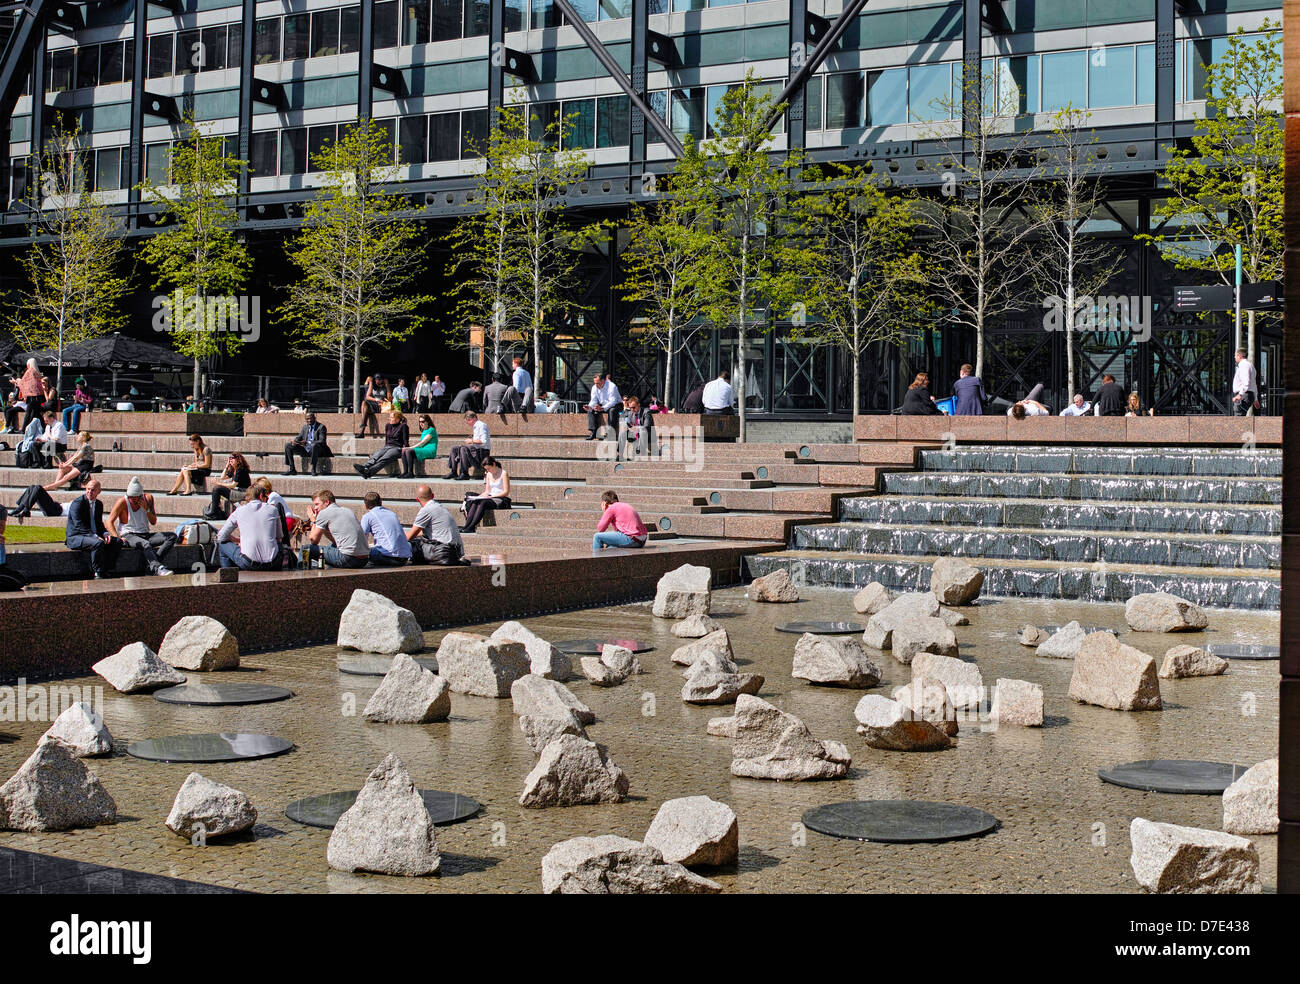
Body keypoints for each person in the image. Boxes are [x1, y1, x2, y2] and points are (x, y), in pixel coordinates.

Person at [107, 476, 176, 576]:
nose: (133, 501)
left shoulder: (148, 498)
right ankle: (157, 568)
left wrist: (147, 509)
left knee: (171, 536)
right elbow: (109, 521)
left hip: (145, 534)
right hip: (128, 535)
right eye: (131, 498)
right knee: (145, 544)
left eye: (136, 499)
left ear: (141, 496)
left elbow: (153, 522)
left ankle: (152, 565)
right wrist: (118, 538)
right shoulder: (122, 502)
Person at [216, 483, 285, 571]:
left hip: (249, 563)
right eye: (266, 498)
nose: (267, 500)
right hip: (274, 562)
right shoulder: (273, 509)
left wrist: (237, 541)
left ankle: (229, 576)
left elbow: (221, 537)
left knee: (222, 545)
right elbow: (279, 538)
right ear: (261, 496)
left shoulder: (239, 511)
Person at [65, 478, 122, 579]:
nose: (89, 492)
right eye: (88, 489)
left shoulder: (99, 504)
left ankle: (107, 568)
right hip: (76, 536)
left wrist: (105, 533)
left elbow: (99, 523)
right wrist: (94, 536)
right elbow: (79, 525)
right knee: (98, 543)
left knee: (117, 541)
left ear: (99, 491)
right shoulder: (78, 503)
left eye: (93, 490)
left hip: (92, 535)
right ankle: (97, 571)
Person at [305, 489, 370, 568]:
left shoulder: (324, 513)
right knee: (331, 546)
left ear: (326, 502)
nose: (315, 508)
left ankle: (301, 571)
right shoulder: (347, 510)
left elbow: (313, 540)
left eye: (317, 504)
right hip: (364, 560)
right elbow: (335, 541)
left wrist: (313, 521)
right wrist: (323, 527)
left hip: (347, 558)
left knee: (306, 549)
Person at [407, 484, 465, 564]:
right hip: (457, 552)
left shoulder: (426, 510)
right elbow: (429, 531)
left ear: (417, 499)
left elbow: (410, 536)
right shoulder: (441, 507)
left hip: (443, 552)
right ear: (433, 496)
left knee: (411, 545)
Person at [361, 491, 412, 566]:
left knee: (364, 553)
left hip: (388, 557)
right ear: (381, 502)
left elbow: (362, 539)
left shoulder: (368, 516)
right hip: (404, 558)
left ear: (365, 506)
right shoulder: (392, 513)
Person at [354, 409, 409, 479]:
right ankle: (364, 467)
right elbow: (387, 439)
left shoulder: (403, 426)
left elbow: (405, 440)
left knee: (384, 458)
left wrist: (405, 450)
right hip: (387, 446)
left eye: (392, 417)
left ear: (398, 419)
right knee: (376, 456)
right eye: (389, 417)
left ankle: (369, 472)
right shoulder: (388, 425)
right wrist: (385, 449)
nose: (389, 419)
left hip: (397, 448)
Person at [460, 457, 509, 533]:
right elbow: (487, 491)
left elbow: (506, 492)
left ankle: (472, 526)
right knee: (476, 501)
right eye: (486, 469)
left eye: (489, 468)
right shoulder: (488, 474)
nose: (488, 471)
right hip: (490, 497)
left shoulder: (503, 473)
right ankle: (467, 526)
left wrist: (492, 496)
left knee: (483, 503)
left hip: (500, 498)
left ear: (494, 464)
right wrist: (478, 497)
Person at [284, 412, 331, 476]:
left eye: (310, 418)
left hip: (318, 450)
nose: (309, 420)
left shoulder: (321, 427)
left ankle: (313, 469)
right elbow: (299, 437)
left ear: (314, 418)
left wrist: (308, 443)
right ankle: (292, 469)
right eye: (307, 419)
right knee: (288, 445)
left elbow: (322, 441)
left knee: (314, 445)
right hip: (306, 449)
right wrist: (296, 442)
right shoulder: (305, 427)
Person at [446, 412, 490, 479]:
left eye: (469, 420)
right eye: (467, 421)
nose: (467, 423)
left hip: (482, 452)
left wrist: (471, 441)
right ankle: (453, 471)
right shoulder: (476, 426)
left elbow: (484, 441)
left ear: (474, 418)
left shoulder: (481, 426)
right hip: (476, 450)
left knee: (463, 448)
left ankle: (464, 473)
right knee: (454, 448)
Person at [208, 451, 252, 518]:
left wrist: (218, 483)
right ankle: (215, 511)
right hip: (238, 491)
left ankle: (213, 512)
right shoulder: (234, 469)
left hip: (244, 492)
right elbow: (222, 477)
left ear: (238, 460)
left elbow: (233, 485)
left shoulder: (241, 469)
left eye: (232, 458)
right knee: (217, 489)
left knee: (217, 489)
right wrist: (227, 466)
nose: (230, 460)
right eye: (229, 458)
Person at [9, 359, 43, 433]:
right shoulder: (37, 372)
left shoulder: (29, 371)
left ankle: (23, 429)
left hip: (31, 396)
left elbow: (23, 383)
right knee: (36, 413)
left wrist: (15, 381)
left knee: (29, 412)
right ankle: (42, 428)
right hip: (38, 396)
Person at [584, 371, 622, 440]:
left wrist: (602, 408)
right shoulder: (594, 387)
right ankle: (593, 432)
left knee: (612, 410)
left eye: (597, 383)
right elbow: (593, 400)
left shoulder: (612, 386)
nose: (596, 385)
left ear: (603, 381)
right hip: (603, 404)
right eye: (595, 383)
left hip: (616, 404)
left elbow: (613, 401)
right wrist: (590, 406)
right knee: (591, 410)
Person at [617, 396, 654, 461]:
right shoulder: (630, 413)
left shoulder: (646, 412)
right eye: (630, 408)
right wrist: (629, 428)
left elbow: (647, 426)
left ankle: (639, 453)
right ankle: (620, 454)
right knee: (623, 430)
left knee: (642, 430)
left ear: (638, 405)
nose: (632, 409)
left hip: (647, 437)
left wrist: (636, 428)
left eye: (633, 407)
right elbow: (624, 422)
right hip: (635, 435)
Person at [1232, 348, 1259, 416]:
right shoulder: (1250, 366)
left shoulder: (1244, 365)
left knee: (1239, 416)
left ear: (1239, 356)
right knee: (1241, 415)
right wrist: (1255, 398)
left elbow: (1246, 382)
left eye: (1235, 355)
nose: (1234, 357)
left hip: (1244, 395)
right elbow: (1254, 384)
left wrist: (1240, 394)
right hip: (1247, 394)